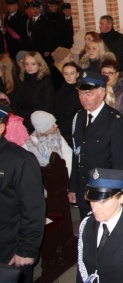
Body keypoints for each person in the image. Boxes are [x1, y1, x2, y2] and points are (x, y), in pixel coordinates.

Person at [69, 71, 123, 218]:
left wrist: (116, 196)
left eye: (88, 94)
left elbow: (121, 165)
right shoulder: (79, 117)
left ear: (102, 94)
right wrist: (73, 187)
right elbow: (77, 154)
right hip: (84, 188)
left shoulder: (116, 122)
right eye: (80, 94)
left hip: (105, 192)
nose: (83, 98)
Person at [0, 105, 46, 283]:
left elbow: (33, 208)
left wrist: (27, 250)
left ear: (1, 127)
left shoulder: (21, 160)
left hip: (8, 248)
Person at [11, 51, 55, 132]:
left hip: (37, 124)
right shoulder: (20, 79)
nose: (29, 67)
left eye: (33, 64)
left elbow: (46, 107)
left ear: (40, 65)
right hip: (20, 121)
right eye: (27, 64)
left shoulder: (45, 82)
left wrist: (29, 124)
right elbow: (15, 102)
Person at [100, 59, 123, 155]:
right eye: (104, 73)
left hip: (119, 136)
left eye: (110, 73)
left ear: (117, 74)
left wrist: (112, 129)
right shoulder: (99, 90)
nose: (106, 76)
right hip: (101, 135)